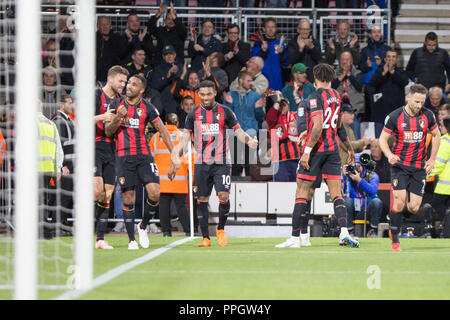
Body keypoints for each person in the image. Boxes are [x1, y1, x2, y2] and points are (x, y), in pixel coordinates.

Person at [276, 63, 359, 249]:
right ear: (331, 78)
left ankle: (295, 238)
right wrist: (349, 149)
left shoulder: (314, 97)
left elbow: (318, 126)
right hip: (333, 151)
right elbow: (338, 127)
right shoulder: (337, 96)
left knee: (302, 193)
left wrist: (306, 151)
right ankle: (344, 233)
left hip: (316, 151)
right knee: (337, 194)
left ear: (315, 78)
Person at [171, 80, 259, 247]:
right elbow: (185, 140)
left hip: (221, 162)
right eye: (202, 94)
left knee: (223, 196)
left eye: (209, 94)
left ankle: (220, 230)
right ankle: (205, 238)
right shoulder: (193, 114)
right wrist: (175, 156)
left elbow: (238, 131)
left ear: (215, 94)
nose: (205, 98)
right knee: (202, 199)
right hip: (201, 163)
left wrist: (249, 142)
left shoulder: (225, 111)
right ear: (198, 94)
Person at [106, 74, 176, 250]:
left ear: (141, 90)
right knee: (128, 197)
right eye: (128, 83)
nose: (128, 86)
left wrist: (174, 155)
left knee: (155, 193)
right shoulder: (115, 105)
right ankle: (131, 240)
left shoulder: (148, 107)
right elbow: (108, 132)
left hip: (144, 155)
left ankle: (143, 225)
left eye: (133, 84)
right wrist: (117, 118)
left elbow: (162, 130)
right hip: (123, 156)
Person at [379, 84, 441, 252]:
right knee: (399, 200)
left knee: (414, 207)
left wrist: (432, 159)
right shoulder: (395, 116)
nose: (419, 105)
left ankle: (394, 219)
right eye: (416, 101)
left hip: (419, 167)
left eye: (422, 102)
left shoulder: (428, 115)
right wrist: (388, 154)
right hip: (399, 166)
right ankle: (395, 242)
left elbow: (437, 135)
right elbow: (382, 139)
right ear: (408, 97)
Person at [93, 65, 129, 249]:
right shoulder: (95, 95)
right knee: (96, 191)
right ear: (110, 78)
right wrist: (103, 117)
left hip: (113, 150)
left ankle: (100, 239)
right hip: (93, 147)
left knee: (106, 196)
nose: (123, 84)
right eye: (120, 81)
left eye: (125, 82)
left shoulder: (121, 102)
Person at [149, 113, 191, 236]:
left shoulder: (156, 137)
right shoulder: (183, 136)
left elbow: (150, 157)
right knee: (182, 207)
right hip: (180, 178)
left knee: (163, 206)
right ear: (177, 124)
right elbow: (190, 157)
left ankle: (166, 232)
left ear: (165, 123)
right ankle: (188, 231)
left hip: (162, 179)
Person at [223, 71, 265, 177]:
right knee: (235, 164)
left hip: (250, 133)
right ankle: (233, 189)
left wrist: (258, 109)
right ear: (240, 80)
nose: (251, 83)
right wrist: (229, 104)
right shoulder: (230, 95)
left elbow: (260, 118)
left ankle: (250, 190)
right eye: (248, 80)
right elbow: (226, 117)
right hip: (235, 134)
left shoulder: (255, 96)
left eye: (251, 81)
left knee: (250, 164)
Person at [37, 102, 64, 240]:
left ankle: (42, 231)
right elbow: (59, 149)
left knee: (35, 201)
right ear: (41, 109)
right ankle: (45, 231)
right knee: (42, 200)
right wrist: (58, 168)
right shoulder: (50, 124)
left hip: (33, 168)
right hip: (47, 168)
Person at [368, 49, 409, 137]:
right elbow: (372, 83)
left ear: (397, 59)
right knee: (379, 140)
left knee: (396, 142)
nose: (391, 59)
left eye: (393, 57)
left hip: (396, 114)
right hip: (380, 114)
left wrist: (392, 72)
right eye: (389, 57)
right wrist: (384, 73)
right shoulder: (379, 71)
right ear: (385, 59)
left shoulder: (401, 72)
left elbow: (405, 82)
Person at [51, 94, 76, 232]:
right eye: (69, 103)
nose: (71, 105)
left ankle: (63, 224)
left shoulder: (67, 120)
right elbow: (59, 145)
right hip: (65, 165)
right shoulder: (59, 121)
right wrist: (63, 164)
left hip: (70, 165)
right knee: (63, 196)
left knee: (67, 196)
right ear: (62, 105)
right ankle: (56, 225)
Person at [343, 154, 383, 238]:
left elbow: (372, 191)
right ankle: (349, 231)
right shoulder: (348, 174)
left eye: (358, 166)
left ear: (363, 166)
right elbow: (342, 192)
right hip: (353, 205)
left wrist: (359, 180)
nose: (355, 169)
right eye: (353, 166)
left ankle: (372, 230)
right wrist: (344, 176)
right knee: (346, 201)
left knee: (376, 202)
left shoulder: (372, 175)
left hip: (367, 204)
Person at [265, 91, 300, 182]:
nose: (283, 107)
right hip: (280, 161)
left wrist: (296, 96)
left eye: (285, 104)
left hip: (296, 158)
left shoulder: (294, 116)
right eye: (280, 105)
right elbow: (270, 116)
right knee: (281, 190)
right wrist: (278, 100)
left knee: (297, 189)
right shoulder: (273, 120)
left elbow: (305, 112)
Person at [332, 51, 365, 139]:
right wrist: (341, 77)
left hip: (354, 111)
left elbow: (359, 86)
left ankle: (355, 153)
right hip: (338, 112)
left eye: (347, 59)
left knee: (355, 137)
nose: (344, 62)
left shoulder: (358, 73)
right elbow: (331, 87)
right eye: (342, 59)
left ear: (351, 61)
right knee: (339, 139)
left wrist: (349, 75)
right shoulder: (334, 74)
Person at [251, 18, 288, 91]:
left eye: (273, 27)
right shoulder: (258, 44)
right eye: (268, 27)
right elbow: (253, 62)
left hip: (276, 80)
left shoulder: (280, 44)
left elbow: (285, 64)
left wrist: (282, 53)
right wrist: (262, 51)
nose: (271, 29)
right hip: (261, 80)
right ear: (264, 29)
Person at [148, 1, 187, 65]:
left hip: (177, 65)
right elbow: (149, 27)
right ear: (164, 21)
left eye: (173, 19)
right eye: (168, 19)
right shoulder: (160, 30)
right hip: (160, 65)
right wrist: (159, 14)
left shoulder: (180, 32)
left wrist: (174, 16)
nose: (170, 21)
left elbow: (184, 31)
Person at [150, 45, 183, 118]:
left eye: (171, 54)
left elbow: (185, 83)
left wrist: (179, 75)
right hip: (165, 104)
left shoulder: (181, 67)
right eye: (166, 54)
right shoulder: (158, 69)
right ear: (163, 56)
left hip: (181, 103)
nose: (169, 56)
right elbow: (154, 86)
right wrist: (167, 76)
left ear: (174, 55)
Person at [430, 116, 450, 223]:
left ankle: (447, 226)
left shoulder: (445, 141)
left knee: (436, 203)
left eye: (442, 126)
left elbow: (439, 164)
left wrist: (426, 173)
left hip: (445, 185)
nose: (439, 127)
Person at [96, 16, 128, 82]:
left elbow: (123, 54)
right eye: (102, 25)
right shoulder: (93, 39)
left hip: (114, 79)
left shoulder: (117, 38)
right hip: (97, 79)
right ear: (98, 26)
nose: (105, 27)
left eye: (107, 24)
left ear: (110, 25)